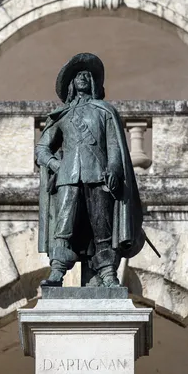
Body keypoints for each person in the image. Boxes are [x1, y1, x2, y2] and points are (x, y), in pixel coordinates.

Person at [35, 52, 145, 287]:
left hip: (98, 176)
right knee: (63, 227)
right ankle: (57, 271)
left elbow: (114, 146)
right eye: (78, 75)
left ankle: (108, 274)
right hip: (68, 177)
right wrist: (57, 165)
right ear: (71, 84)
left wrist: (114, 170)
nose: (83, 77)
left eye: (87, 75)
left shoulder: (105, 112)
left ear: (94, 83)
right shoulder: (61, 116)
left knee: (101, 227)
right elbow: (42, 149)